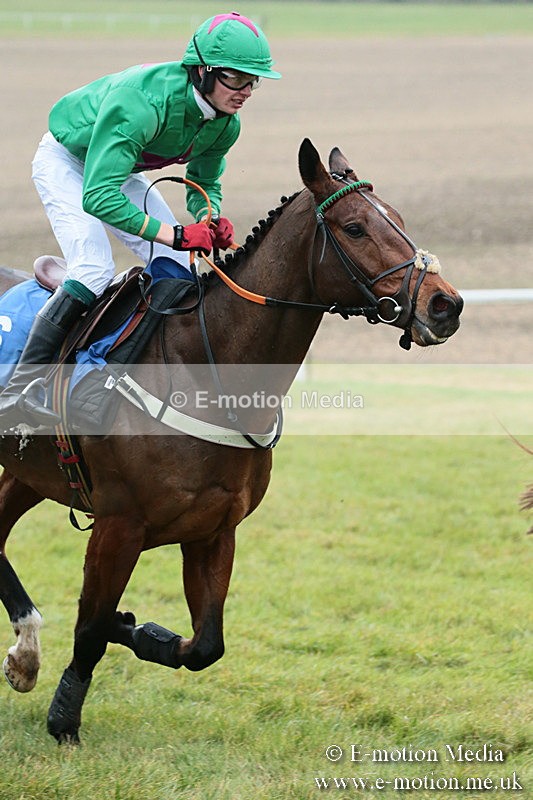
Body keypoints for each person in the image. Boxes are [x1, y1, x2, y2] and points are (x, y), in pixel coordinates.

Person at [0, 11, 281, 427]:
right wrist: (176, 233)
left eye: (253, 80)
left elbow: (204, 181)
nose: (246, 91)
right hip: (67, 162)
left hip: (121, 169)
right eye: (236, 78)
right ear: (202, 71)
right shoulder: (142, 104)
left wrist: (209, 217)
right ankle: (22, 387)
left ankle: (117, 372)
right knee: (94, 268)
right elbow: (98, 195)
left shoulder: (225, 124)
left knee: (180, 265)